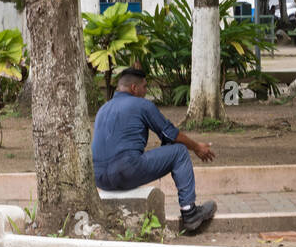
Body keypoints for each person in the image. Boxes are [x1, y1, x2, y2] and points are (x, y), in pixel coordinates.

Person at [91, 67, 218, 233]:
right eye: (144, 87)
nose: (145, 91)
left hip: (100, 178)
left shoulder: (103, 109)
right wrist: (197, 147)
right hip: (126, 171)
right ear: (134, 88)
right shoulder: (142, 104)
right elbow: (171, 134)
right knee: (179, 151)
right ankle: (190, 213)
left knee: (167, 149)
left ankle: (190, 211)